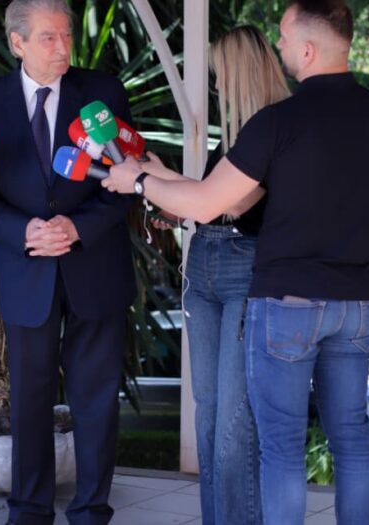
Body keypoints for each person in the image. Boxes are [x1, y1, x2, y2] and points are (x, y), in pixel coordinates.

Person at [102, 1, 369, 524]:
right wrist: (358, 275)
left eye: (285, 37)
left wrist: (137, 181)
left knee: (282, 449)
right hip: (357, 305)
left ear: (308, 50)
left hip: (285, 304)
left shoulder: (277, 122)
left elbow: (208, 204)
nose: (280, 46)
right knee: (352, 439)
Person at [0, 1, 135, 523]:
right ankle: (29, 512)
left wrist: (78, 227)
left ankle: (91, 512)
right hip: (26, 268)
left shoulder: (103, 95)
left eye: (66, 36)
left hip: (95, 265)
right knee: (29, 400)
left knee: (96, 400)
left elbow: (128, 180)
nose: (63, 48)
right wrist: (24, 231)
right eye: (48, 38)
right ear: (18, 43)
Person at [145, 25, 290, 525]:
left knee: (233, 420)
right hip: (204, 260)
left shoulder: (274, 129)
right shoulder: (233, 134)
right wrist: (169, 191)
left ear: (239, 71)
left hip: (246, 267)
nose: (215, 83)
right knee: (208, 414)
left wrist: (153, 180)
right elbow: (208, 202)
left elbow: (231, 203)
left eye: (219, 73)